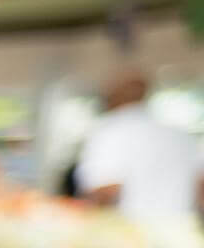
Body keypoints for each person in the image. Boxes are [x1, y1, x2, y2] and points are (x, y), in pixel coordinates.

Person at [76, 70, 204, 225]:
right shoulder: (179, 133)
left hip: (132, 234)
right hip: (181, 231)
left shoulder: (110, 130)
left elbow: (106, 190)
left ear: (111, 96)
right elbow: (200, 187)